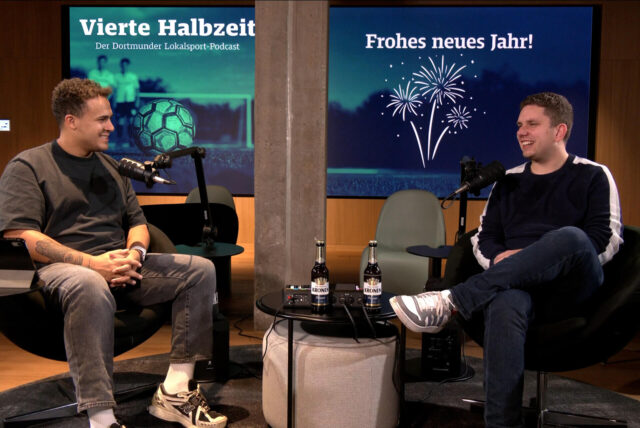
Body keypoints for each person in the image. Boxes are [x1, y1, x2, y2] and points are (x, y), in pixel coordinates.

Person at [0, 78, 227, 428]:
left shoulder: (111, 166)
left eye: (110, 118)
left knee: (199, 270)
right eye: (102, 119)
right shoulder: (28, 167)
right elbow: (21, 236)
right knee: (89, 283)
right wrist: (94, 265)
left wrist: (134, 254)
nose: (111, 126)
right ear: (71, 121)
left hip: (118, 265)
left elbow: (138, 223)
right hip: (59, 271)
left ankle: (175, 392)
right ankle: (102, 417)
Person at [390, 92, 623, 427]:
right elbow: (484, 239)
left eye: (532, 124)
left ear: (559, 130)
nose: (521, 132)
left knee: (571, 237)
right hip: (516, 286)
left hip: (571, 285)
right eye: (519, 125)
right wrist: (502, 261)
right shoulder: (508, 182)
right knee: (505, 302)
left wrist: (533, 257)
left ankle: (453, 300)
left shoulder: (593, 175)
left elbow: (606, 239)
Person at [113, 58, 139, 142]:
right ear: (120, 65)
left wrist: (137, 101)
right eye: (122, 65)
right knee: (120, 121)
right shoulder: (116, 76)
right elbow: (114, 90)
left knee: (130, 120)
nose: (124, 66)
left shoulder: (133, 76)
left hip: (130, 101)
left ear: (128, 65)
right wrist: (114, 102)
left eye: (126, 65)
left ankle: (131, 139)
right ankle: (119, 139)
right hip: (119, 101)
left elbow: (137, 89)